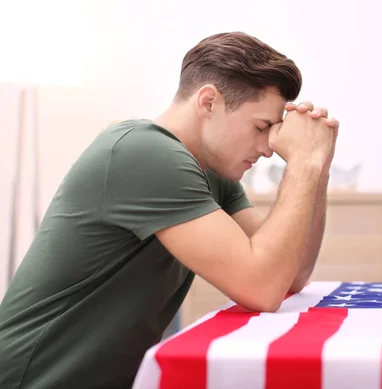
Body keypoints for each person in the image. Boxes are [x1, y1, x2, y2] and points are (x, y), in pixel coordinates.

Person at [0, 31, 339, 389]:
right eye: (260, 127)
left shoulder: (210, 173)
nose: (269, 147)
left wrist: (317, 167)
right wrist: (302, 162)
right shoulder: (145, 152)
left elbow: (291, 276)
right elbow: (263, 288)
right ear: (208, 102)